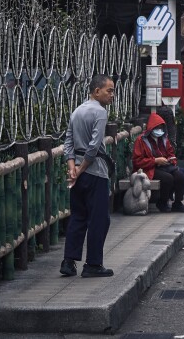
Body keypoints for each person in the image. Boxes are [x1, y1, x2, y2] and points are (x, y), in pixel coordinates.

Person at [60, 74, 116, 278]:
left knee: (78, 216)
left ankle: (68, 261)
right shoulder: (100, 112)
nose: (112, 95)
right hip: (95, 172)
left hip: (77, 170)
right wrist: (81, 169)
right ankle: (93, 264)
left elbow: (68, 142)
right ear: (96, 91)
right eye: (109, 90)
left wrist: (72, 168)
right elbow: (93, 148)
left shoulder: (77, 111)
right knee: (99, 219)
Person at [131, 112, 184, 214]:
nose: (159, 130)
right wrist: (155, 161)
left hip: (165, 166)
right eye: (157, 128)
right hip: (149, 168)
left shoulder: (164, 139)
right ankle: (162, 202)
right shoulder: (141, 140)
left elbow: (171, 153)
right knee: (168, 178)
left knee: (180, 175)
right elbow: (137, 161)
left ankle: (178, 203)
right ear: (150, 128)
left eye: (161, 128)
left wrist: (171, 160)